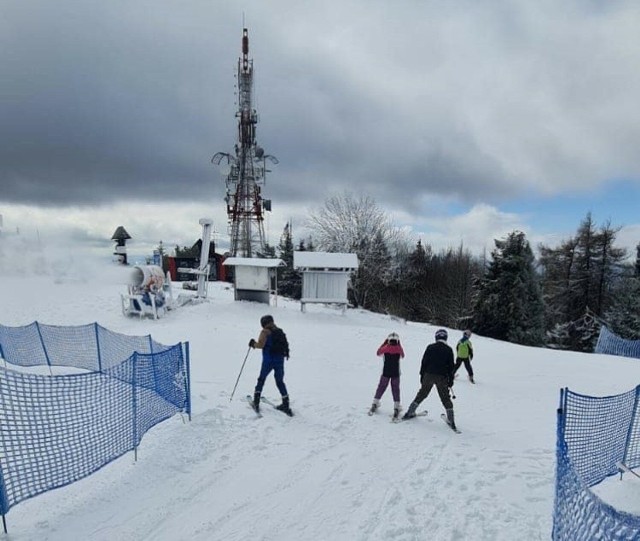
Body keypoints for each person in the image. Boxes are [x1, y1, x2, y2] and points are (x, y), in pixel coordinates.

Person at [403, 328, 457, 430]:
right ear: (446, 337)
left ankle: (410, 412)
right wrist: (451, 380)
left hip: (428, 375)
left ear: (436, 337)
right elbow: (451, 367)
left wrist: (422, 375)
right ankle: (451, 419)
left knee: (422, 394)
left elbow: (424, 362)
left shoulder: (430, 347)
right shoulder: (449, 349)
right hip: (442, 377)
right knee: (445, 398)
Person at [248, 315, 292, 416]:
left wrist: (253, 344)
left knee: (261, 379)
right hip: (280, 360)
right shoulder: (279, 331)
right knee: (280, 381)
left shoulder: (265, 332)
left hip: (268, 361)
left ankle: (256, 401)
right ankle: (286, 404)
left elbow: (260, 345)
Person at [369, 332, 405, 419]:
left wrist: (385, 343)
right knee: (395, 389)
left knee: (381, 387)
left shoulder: (385, 348)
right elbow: (403, 356)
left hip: (385, 372)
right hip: (396, 373)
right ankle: (396, 406)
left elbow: (378, 353)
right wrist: (399, 344)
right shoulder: (399, 349)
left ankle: (375, 402)